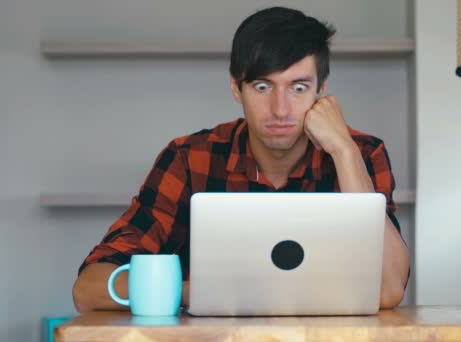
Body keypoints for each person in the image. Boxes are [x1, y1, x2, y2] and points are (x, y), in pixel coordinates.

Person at [72, 6, 410, 313]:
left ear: (322, 90)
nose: (280, 110)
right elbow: (90, 288)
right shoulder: (190, 158)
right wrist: (197, 292)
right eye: (263, 87)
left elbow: (390, 289)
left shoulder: (362, 153)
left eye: (299, 88)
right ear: (236, 87)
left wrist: (344, 152)